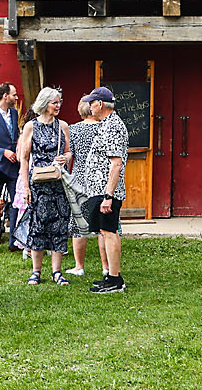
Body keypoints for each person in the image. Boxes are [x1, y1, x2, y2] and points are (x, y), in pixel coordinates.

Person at [17, 86, 74, 285]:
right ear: (44, 104)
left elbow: (69, 152)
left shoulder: (63, 126)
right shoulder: (31, 126)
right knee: (38, 225)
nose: (58, 106)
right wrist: (25, 186)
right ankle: (36, 271)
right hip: (38, 183)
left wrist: (64, 157)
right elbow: (24, 159)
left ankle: (57, 271)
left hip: (58, 183)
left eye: (59, 102)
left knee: (59, 225)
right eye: (54, 102)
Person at [79, 85, 129, 294]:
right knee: (106, 231)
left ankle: (115, 279)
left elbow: (116, 163)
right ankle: (111, 276)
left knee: (109, 231)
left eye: (92, 102)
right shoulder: (106, 124)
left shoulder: (113, 126)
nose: (90, 106)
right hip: (100, 190)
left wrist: (108, 196)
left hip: (106, 192)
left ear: (100, 104)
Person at [66, 94, 99, 277]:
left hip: (79, 178)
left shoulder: (73, 129)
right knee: (103, 227)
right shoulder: (104, 128)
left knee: (79, 224)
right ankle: (106, 266)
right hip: (98, 178)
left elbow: (71, 154)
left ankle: (79, 266)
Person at [0, 83, 21, 251]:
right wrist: (3, 152)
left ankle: (14, 241)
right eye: (14, 95)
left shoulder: (14, 113)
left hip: (14, 165)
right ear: (5, 96)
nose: (16, 98)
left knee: (16, 202)